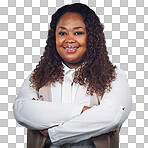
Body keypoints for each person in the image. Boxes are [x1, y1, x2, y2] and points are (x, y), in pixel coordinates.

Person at [13, 3, 132, 148]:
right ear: (54, 38)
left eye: (78, 33)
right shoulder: (38, 77)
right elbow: (22, 110)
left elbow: (111, 117)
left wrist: (53, 134)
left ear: (92, 37)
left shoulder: (113, 77)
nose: (69, 39)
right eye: (62, 33)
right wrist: (82, 111)